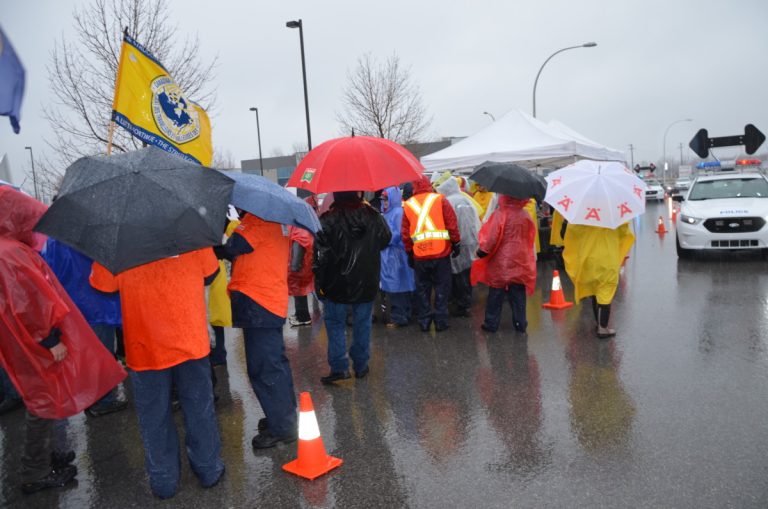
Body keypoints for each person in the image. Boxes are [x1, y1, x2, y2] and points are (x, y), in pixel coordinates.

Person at [0, 187, 125, 494]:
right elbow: (27, 302)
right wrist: (49, 337)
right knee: (42, 398)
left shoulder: (11, 248)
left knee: (44, 393)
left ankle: (45, 455)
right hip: (39, 336)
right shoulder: (11, 253)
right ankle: (35, 469)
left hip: (29, 335)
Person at [90, 249, 224, 499]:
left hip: (145, 344)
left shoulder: (121, 241)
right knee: (199, 408)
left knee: (154, 416)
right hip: (190, 339)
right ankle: (208, 470)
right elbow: (210, 272)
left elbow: (102, 285)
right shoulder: (188, 230)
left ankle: (164, 481)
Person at [218, 212, 298, 448]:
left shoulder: (256, 221)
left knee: (265, 367)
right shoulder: (276, 221)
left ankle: (282, 428)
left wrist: (213, 238)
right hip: (269, 299)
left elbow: (233, 247)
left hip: (258, 302)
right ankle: (283, 417)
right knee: (275, 364)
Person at [42, 238, 128, 417]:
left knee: (90, 354)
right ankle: (102, 401)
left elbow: (48, 273)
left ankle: (95, 398)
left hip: (74, 304)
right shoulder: (96, 237)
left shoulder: (54, 240)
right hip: (99, 303)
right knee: (101, 354)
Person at [314, 191, 391, 383]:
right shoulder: (373, 216)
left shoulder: (327, 220)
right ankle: (361, 365)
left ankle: (340, 368)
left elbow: (320, 256)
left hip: (335, 284)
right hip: (366, 280)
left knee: (335, 325)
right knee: (362, 324)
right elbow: (385, 239)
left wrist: (319, 283)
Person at [401, 175, 460, 332]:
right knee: (442, 287)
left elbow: (405, 234)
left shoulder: (408, 205)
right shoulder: (440, 200)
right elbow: (451, 223)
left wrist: (409, 252)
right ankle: (441, 320)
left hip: (420, 255)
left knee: (422, 289)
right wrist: (456, 243)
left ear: (414, 187)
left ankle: (424, 321)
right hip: (441, 253)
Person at [471, 195, 537, 333]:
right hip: (521, 261)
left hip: (501, 262)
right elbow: (530, 236)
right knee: (518, 293)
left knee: (496, 293)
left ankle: (491, 323)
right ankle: (520, 323)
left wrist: (482, 251)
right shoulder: (525, 215)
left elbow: (491, 238)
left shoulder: (500, 214)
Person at [561, 222, 635, 338]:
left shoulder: (583, 217)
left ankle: (598, 323)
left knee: (595, 290)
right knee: (605, 293)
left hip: (589, 259)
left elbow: (572, 232)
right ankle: (603, 327)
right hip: (608, 259)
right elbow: (624, 233)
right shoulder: (615, 218)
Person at [436, 177, 481, 317]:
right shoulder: (466, 199)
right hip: (471, 241)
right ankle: (465, 303)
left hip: (457, 242)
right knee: (466, 274)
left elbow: (448, 224)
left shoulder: (449, 202)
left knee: (457, 274)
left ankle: (460, 304)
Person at [379, 186, 415, 328]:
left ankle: (399, 317)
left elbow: (397, 234)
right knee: (398, 286)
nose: (384, 202)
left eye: (386, 199)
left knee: (397, 287)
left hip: (396, 256)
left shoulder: (398, 213)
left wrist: (381, 238)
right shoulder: (388, 213)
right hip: (391, 256)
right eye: (383, 200)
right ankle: (403, 315)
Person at [288, 196, 318, 327]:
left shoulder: (300, 227)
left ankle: (302, 316)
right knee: (302, 290)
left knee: (298, 290)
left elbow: (298, 246)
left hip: (300, 266)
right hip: (307, 265)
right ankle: (302, 315)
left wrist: (294, 267)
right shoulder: (310, 224)